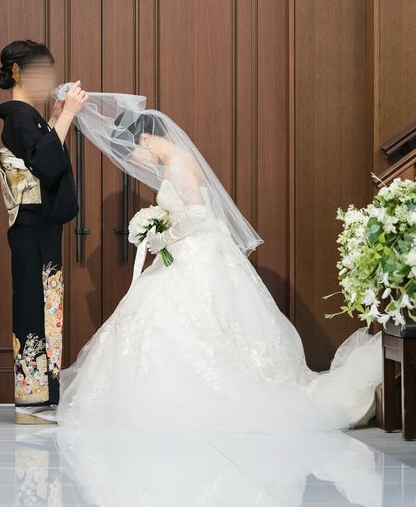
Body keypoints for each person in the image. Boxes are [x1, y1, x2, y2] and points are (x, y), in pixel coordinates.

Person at [38, 83, 383, 434]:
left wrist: (160, 236)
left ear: (144, 140)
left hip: (197, 254)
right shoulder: (176, 161)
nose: (133, 164)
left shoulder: (178, 163)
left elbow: (197, 215)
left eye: (131, 155)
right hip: (191, 251)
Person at [0, 42, 87, 424]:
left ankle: (43, 396)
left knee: (47, 305)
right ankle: (30, 400)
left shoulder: (28, 117)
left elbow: (41, 152)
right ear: (18, 72)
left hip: (38, 226)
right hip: (31, 225)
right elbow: (44, 161)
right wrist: (67, 116)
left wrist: (56, 117)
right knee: (34, 304)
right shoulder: (18, 115)